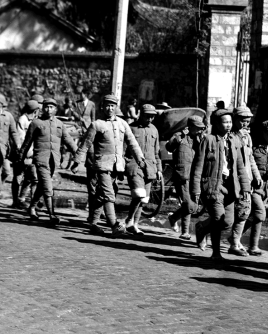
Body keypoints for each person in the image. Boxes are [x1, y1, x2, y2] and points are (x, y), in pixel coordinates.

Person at [71, 94, 143, 237]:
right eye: (107, 105)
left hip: (117, 166)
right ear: (103, 107)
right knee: (109, 195)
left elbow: (132, 142)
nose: (110, 108)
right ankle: (114, 225)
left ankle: (93, 223)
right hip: (102, 165)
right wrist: (76, 161)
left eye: (113, 105)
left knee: (101, 195)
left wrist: (140, 159)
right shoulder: (97, 124)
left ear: (116, 107)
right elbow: (85, 144)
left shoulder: (123, 124)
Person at [190, 108, 251, 265]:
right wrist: (196, 189)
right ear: (216, 124)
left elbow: (240, 167)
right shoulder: (208, 140)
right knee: (218, 218)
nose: (229, 125)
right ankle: (216, 253)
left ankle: (203, 227)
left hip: (229, 186)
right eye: (225, 122)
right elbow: (198, 166)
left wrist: (245, 188)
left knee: (227, 222)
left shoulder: (235, 141)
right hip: (212, 184)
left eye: (230, 122)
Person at [19, 98, 78, 226]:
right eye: (46, 107)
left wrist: (77, 156)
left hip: (54, 160)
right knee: (47, 185)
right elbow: (26, 143)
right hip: (40, 159)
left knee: (42, 185)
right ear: (42, 108)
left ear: (56, 109)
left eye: (51, 107)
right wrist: (20, 158)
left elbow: (69, 141)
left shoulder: (59, 124)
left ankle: (32, 207)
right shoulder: (36, 123)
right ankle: (52, 214)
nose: (49, 109)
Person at [226, 106, 263, 256]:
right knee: (224, 216)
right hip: (230, 180)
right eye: (242, 121)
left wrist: (257, 175)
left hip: (245, 180)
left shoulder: (247, 136)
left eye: (247, 121)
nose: (245, 124)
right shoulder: (228, 136)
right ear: (234, 119)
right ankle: (204, 228)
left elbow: (251, 158)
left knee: (243, 212)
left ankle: (234, 243)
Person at [165, 115, 206, 240]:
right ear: (190, 127)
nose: (200, 130)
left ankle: (174, 219)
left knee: (192, 204)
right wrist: (178, 137)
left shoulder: (200, 140)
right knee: (188, 204)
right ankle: (185, 231)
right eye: (197, 128)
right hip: (181, 176)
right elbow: (169, 147)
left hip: (195, 177)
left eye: (201, 128)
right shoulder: (180, 137)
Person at [245, 120, 268, 255]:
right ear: (263, 132)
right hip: (254, 186)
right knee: (260, 214)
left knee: (253, 216)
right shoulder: (253, 144)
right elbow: (246, 163)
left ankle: (239, 240)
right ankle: (252, 246)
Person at [124, 104, 160, 235]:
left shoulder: (154, 130)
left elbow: (157, 153)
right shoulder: (131, 128)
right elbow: (124, 149)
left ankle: (134, 224)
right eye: (147, 116)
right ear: (140, 114)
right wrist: (123, 166)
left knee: (144, 200)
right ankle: (129, 220)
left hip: (150, 167)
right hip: (134, 166)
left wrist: (159, 169)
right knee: (139, 194)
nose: (150, 119)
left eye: (152, 117)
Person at [11, 100, 40, 208]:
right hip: (22, 154)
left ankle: (27, 201)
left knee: (32, 178)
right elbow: (21, 138)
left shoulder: (36, 120)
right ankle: (15, 201)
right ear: (35, 110)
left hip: (32, 155)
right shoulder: (22, 119)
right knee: (18, 177)